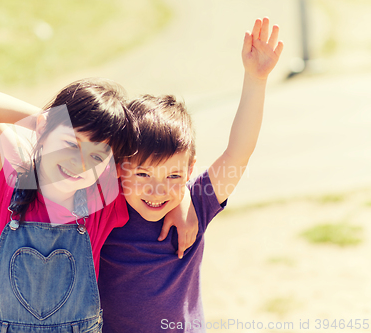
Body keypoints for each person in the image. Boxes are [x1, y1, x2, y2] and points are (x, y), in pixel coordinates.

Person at [0, 56, 196, 332]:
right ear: (44, 127)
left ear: (110, 166)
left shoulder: (99, 203)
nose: (80, 162)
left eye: (96, 155)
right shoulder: (4, 190)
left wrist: (183, 200)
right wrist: (50, 123)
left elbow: (157, 178)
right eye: (71, 143)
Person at [98, 17, 283, 332]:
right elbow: (53, 151)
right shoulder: (102, 205)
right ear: (118, 167)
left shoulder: (197, 204)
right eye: (143, 174)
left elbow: (238, 153)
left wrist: (256, 78)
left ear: (189, 169)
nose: (157, 191)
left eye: (172, 176)